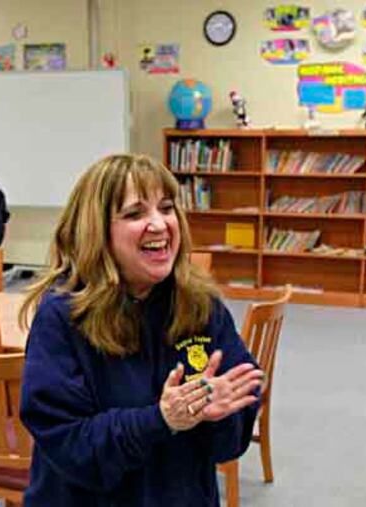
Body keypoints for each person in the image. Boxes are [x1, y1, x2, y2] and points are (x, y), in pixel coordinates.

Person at [19, 154, 265, 506]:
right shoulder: (62, 316)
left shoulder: (200, 304)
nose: (160, 224)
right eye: (135, 213)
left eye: (167, 208)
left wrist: (219, 416)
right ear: (97, 231)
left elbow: (235, 420)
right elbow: (69, 445)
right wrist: (160, 419)